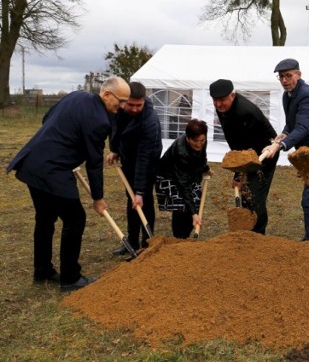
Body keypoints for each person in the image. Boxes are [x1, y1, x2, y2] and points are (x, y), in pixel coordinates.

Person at [6, 76, 130, 291]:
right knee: (75, 218)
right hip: (53, 170)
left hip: (33, 163)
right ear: (107, 94)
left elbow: (47, 118)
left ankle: (42, 270)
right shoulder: (100, 121)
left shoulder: (76, 96)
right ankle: (71, 278)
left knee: (45, 218)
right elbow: (94, 163)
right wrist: (98, 199)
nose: (122, 106)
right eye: (120, 101)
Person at [263, 58, 309, 241]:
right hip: (306, 154)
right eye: (281, 77)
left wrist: (280, 146)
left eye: (288, 76)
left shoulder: (306, 95)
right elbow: (293, 123)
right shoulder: (288, 95)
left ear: (298, 74)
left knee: (308, 199)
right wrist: (284, 134)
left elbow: (303, 128)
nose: (284, 81)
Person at [209, 79, 278, 235]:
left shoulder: (244, 112)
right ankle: (247, 233)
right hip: (247, 152)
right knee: (246, 195)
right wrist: (239, 176)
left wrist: (239, 176)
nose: (219, 104)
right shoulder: (224, 109)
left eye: (222, 100)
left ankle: (257, 236)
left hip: (265, 153)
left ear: (232, 95)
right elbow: (237, 144)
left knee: (254, 196)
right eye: (215, 100)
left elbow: (245, 148)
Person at [107, 82, 162, 255]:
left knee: (143, 200)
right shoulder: (120, 110)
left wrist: (139, 190)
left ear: (144, 101)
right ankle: (131, 241)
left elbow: (144, 158)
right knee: (131, 201)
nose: (135, 109)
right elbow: (115, 130)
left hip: (148, 160)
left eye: (139, 105)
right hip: (129, 158)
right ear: (124, 101)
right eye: (131, 104)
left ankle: (147, 242)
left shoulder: (150, 121)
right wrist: (115, 150)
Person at [155, 119, 211, 239]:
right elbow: (183, 186)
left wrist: (205, 168)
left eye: (202, 140)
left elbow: (202, 156)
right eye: (195, 141)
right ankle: (179, 237)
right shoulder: (181, 152)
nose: (199, 144)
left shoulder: (201, 140)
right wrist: (194, 214)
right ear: (188, 138)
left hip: (188, 173)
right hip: (168, 176)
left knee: (195, 201)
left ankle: (184, 235)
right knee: (181, 206)